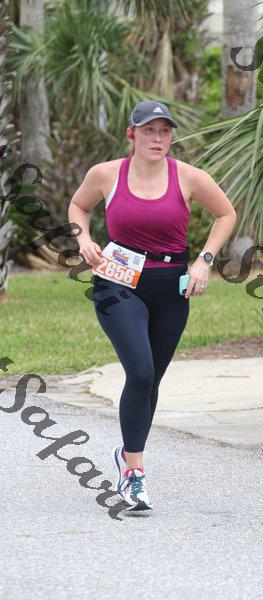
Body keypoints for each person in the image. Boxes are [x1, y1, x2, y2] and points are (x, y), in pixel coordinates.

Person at [68, 100, 237, 511]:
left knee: (150, 380)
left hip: (171, 287)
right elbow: (78, 206)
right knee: (140, 371)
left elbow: (226, 214)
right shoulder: (106, 174)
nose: (158, 138)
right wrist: (84, 239)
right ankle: (134, 473)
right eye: (149, 130)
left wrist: (204, 261)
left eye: (165, 131)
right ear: (132, 134)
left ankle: (127, 453)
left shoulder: (190, 177)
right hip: (117, 281)